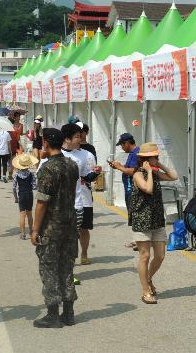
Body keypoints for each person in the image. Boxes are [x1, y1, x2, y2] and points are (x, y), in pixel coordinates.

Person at [31, 128, 79, 328]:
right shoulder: (72, 165)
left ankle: (52, 313)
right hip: (70, 224)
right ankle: (68, 312)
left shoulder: (48, 168)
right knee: (67, 267)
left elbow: (42, 202)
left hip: (52, 226)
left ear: (46, 143)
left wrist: (35, 229)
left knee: (49, 268)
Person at [130, 142, 177, 304]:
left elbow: (173, 176)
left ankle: (148, 279)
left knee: (160, 256)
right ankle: (145, 291)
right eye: (154, 157)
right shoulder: (137, 174)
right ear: (145, 159)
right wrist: (149, 171)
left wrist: (160, 165)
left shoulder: (155, 172)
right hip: (142, 220)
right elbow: (148, 189)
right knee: (145, 256)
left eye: (157, 157)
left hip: (157, 219)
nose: (157, 159)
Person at [61, 123, 101, 265]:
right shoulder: (57, 155)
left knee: (84, 229)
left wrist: (95, 173)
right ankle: (67, 262)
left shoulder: (86, 154)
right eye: (77, 136)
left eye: (80, 135)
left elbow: (88, 177)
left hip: (83, 198)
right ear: (67, 138)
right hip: (64, 202)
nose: (81, 139)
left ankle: (84, 253)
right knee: (67, 232)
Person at [109, 133, 139, 248]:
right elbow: (128, 168)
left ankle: (139, 241)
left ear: (127, 143)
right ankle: (136, 239)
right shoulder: (132, 153)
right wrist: (119, 165)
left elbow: (133, 171)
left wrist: (119, 167)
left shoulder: (136, 153)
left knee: (136, 215)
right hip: (129, 189)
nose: (121, 147)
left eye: (122, 145)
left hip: (133, 190)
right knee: (133, 215)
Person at [12, 152, 38, 240]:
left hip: (21, 195)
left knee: (22, 215)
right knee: (30, 214)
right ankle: (31, 232)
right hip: (29, 194)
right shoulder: (32, 175)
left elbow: (14, 188)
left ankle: (23, 234)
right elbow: (34, 186)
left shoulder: (16, 175)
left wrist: (16, 198)